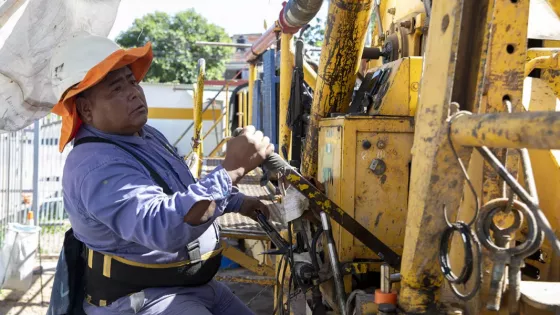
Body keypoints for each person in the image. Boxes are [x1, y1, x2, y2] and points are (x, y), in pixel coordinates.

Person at [47, 33, 273, 315]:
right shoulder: (95, 165)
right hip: (144, 298)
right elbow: (162, 226)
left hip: (187, 284)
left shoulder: (143, 135)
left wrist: (239, 201)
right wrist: (231, 170)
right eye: (116, 88)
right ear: (86, 109)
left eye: (131, 81)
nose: (133, 92)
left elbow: (179, 187)